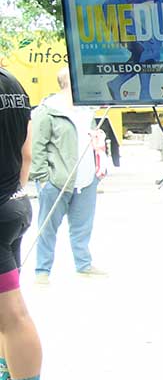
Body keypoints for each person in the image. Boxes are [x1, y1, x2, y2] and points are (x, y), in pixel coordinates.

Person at [0, 68, 46, 380]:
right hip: (14, 204)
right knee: (5, 316)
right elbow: (26, 153)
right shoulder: (12, 83)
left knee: (12, 317)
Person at [29, 68, 107, 282]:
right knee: (48, 226)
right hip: (57, 180)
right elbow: (37, 146)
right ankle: (42, 270)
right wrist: (43, 178)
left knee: (83, 226)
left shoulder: (86, 110)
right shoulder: (48, 111)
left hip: (87, 178)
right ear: (70, 83)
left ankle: (84, 264)